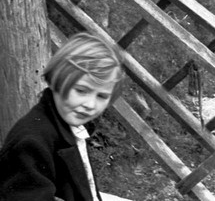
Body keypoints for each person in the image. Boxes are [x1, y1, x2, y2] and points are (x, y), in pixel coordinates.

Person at [0, 32, 131, 201]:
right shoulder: (31, 142)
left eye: (102, 96)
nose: (90, 105)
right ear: (56, 81)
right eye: (81, 90)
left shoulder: (70, 121)